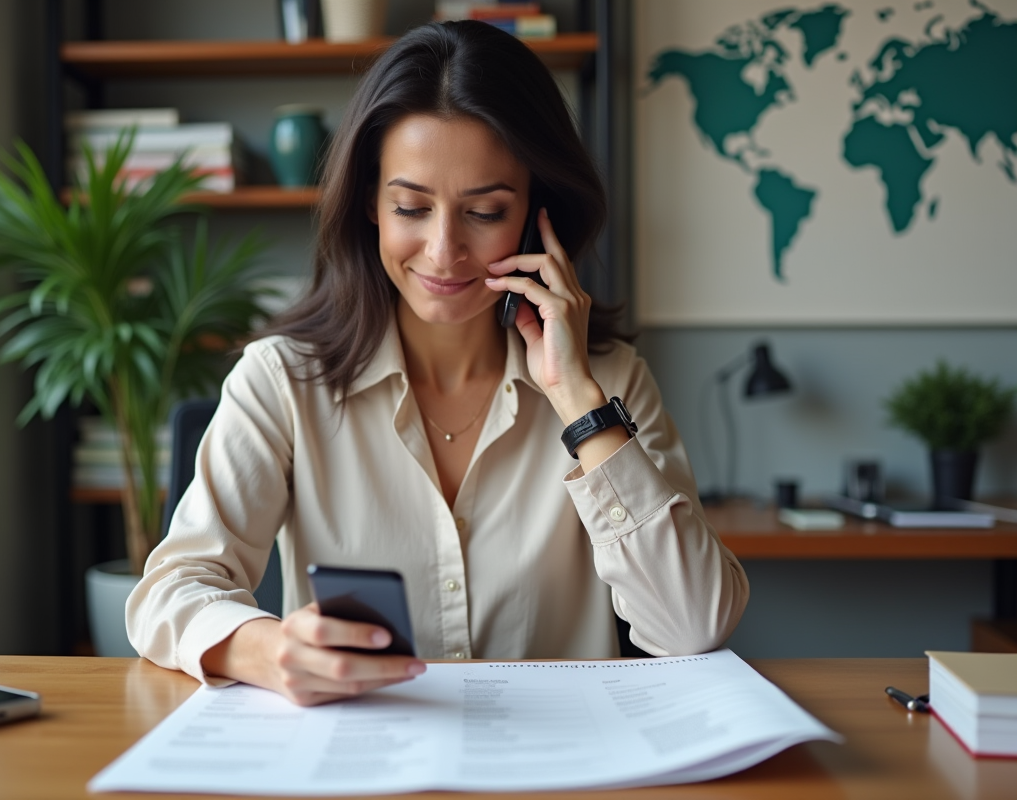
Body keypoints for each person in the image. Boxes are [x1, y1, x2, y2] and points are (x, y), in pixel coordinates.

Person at [127, 21, 748, 706]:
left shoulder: (612, 381)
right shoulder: (280, 380)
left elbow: (693, 627)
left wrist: (576, 399)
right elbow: (170, 592)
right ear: (370, 204)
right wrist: (266, 649)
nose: (444, 250)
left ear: (536, 214)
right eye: (411, 207)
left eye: (484, 211)